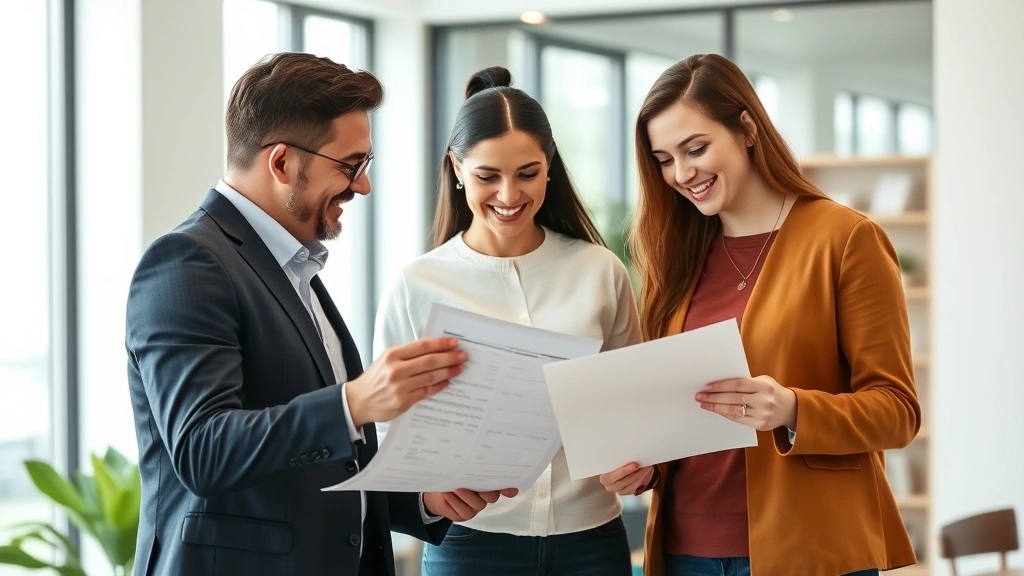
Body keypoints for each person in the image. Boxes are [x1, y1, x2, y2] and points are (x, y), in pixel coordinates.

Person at [125, 53, 514, 576]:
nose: (362, 186)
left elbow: (318, 467)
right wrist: (354, 402)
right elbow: (203, 450)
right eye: (350, 165)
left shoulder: (295, 268)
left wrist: (423, 499)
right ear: (281, 162)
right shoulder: (188, 262)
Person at [599, 54, 921, 576]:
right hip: (685, 551)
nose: (682, 174)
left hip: (806, 546)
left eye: (696, 148)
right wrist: (643, 467)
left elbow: (898, 411)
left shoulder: (844, 239)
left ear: (747, 128)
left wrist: (792, 408)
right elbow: (678, 410)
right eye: (663, 159)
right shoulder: (675, 256)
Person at [372, 67, 643, 576]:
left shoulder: (599, 270)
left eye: (527, 173)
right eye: (487, 176)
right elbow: (385, 430)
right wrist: (427, 494)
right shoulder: (416, 284)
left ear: (549, 167)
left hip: (593, 542)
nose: (508, 194)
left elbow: (632, 405)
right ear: (456, 167)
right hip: (470, 545)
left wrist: (639, 463)